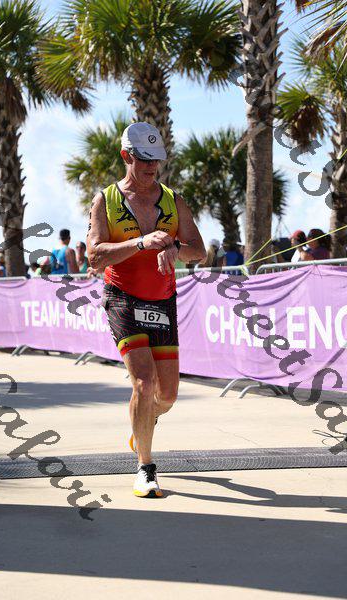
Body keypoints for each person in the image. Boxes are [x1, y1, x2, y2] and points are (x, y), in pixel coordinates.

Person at [87, 121, 206, 498]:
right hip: (122, 297)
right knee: (143, 382)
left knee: (166, 396)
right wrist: (140, 243)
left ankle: (142, 425)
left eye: (157, 160)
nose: (153, 167)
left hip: (162, 300)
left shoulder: (174, 200)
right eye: (144, 160)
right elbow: (94, 256)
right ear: (126, 156)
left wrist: (174, 248)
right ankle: (146, 467)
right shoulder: (106, 200)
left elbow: (199, 251)